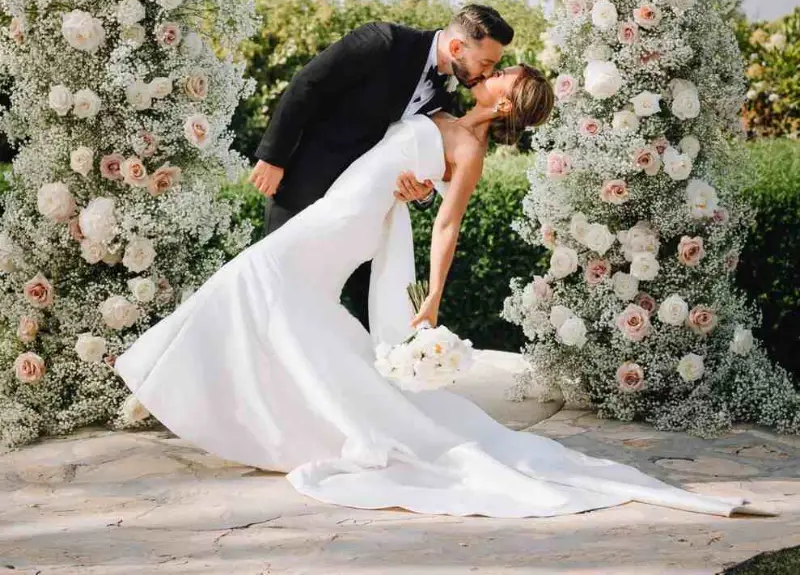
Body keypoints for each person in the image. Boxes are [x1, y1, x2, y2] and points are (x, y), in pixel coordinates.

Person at [113, 65, 772, 519]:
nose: (495, 74)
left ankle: (165, 377)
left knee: (252, 277)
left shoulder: (471, 147)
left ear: (509, 103)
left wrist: (432, 296)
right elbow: (392, 150)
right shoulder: (437, 108)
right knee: (281, 300)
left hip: (347, 222)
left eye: (506, 78)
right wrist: (410, 178)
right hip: (345, 203)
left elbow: (449, 223)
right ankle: (265, 406)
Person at [248, 4, 514, 330]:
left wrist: (421, 194)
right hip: (307, 182)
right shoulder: (383, 41)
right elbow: (309, 82)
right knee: (275, 283)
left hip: (365, 213)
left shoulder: (448, 95)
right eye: (485, 62)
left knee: (353, 314)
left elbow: (421, 153)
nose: (486, 73)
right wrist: (273, 157)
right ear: (457, 47)